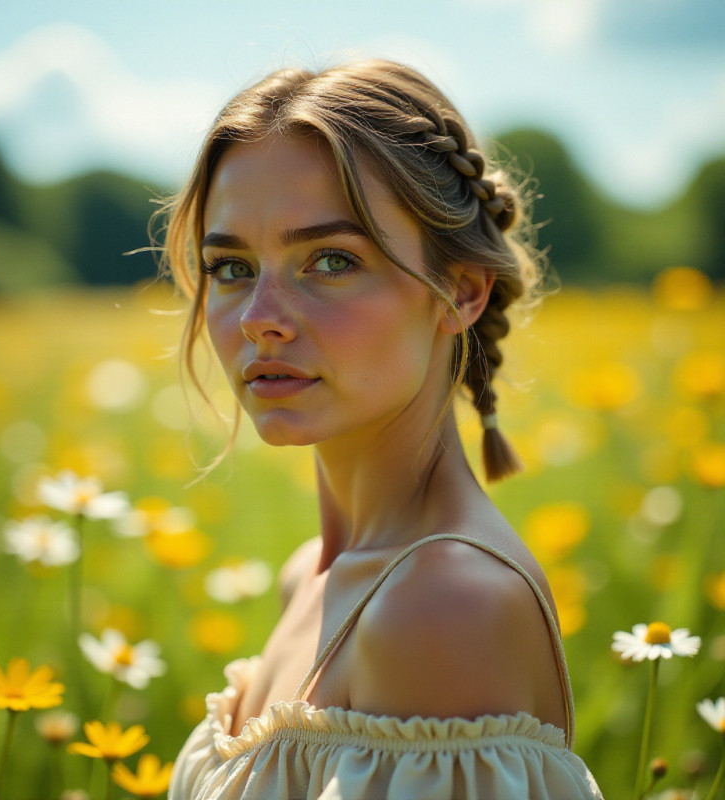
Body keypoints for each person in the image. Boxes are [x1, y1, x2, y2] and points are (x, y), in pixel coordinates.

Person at [164, 59, 603, 799]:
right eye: (231, 267)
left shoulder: (443, 605)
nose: (259, 318)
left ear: (459, 290)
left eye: (330, 260)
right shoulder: (309, 576)